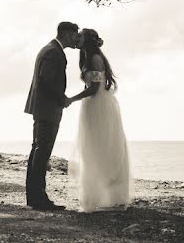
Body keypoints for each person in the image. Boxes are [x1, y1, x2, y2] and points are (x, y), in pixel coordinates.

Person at [67, 28, 132, 212]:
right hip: (93, 105)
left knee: (101, 148)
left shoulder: (95, 59)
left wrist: (71, 98)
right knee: (92, 149)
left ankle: (110, 196)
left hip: (99, 106)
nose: (77, 39)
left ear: (87, 41)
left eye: (80, 37)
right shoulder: (88, 57)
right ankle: (98, 194)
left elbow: (94, 88)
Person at [24, 21, 79, 211]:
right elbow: (46, 80)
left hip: (44, 108)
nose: (76, 38)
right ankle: (39, 198)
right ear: (66, 33)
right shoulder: (53, 52)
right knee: (42, 152)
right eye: (74, 34)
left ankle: (34, 197)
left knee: (38, 151)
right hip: (48, 108)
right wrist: (62, 98)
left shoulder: (49, 49)